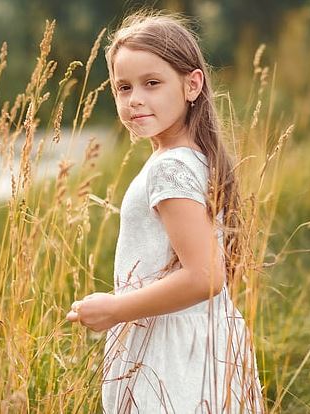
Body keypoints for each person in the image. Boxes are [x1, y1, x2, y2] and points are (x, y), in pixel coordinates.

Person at [66, 11, 265, 413]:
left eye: (152, 84)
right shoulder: (193, 158)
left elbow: (205, 276)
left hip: (171, 352)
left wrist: (114, 309)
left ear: (192, 84)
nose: (135, 98)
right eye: (123, 87)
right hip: (198, 339)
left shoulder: (169, 168)